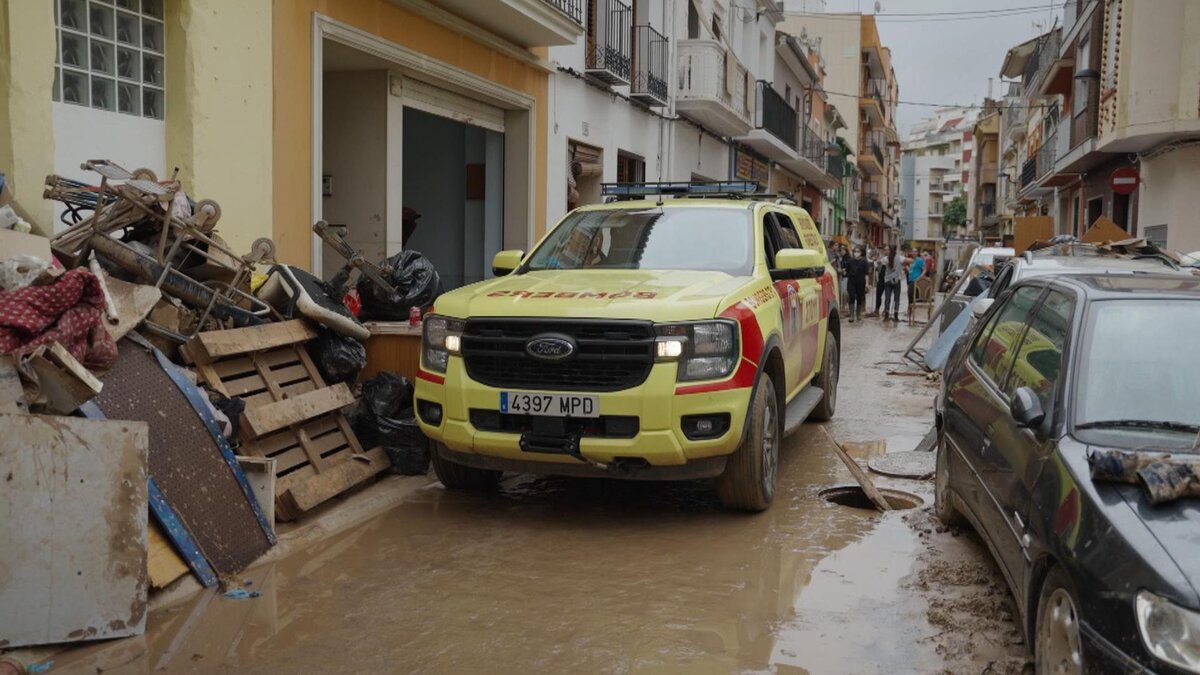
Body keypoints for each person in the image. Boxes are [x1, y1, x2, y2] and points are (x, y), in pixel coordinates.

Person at [844, 246, 868, 322]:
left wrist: (867, 284)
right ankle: (851, 315)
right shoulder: (850, 261)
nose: (856, 253)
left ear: (861, 253)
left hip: (861, 281)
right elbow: (846, 271)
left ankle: (858, 315)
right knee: (851, 296)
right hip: (851, 281)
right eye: (855, 251)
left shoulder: (864, 261)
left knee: (859, 297)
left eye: (858, 251)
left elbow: (866, 274)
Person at [883, 245, 906, 321]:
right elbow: (909, 261)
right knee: (897, 298)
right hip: (896, 280)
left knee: (887, 298)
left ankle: (886, 315)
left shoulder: (885, 259)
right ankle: (896, 315)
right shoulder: (900, 258)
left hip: (888, 280)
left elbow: (880, 263)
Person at [906, 248, 926, 312]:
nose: (914, 253)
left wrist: (919, 277)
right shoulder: (911, 260)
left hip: (915, 281)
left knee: (911, 294)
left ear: (917, 253)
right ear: (911, 253)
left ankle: (911, 309)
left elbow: (924, 269)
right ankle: (910, 308)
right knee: (910, 295)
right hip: (910, 280)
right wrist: (906, 267)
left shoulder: (919, 260)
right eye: (913, 251)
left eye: (915, 251)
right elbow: (911, 270)